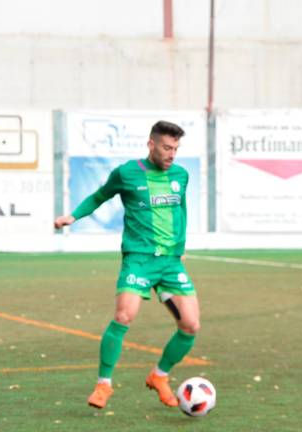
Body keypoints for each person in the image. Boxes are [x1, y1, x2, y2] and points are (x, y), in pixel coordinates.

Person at [54, 120, 199, 409]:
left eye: (176, 148)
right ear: (151, 144)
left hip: (170, 262)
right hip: (139, 259)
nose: (172, 154)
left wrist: (180, 247)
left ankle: (160, 376)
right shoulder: (127, 173)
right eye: (167, 148)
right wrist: (73, 216)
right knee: (124, 316)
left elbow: (181, 208)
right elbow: (99, 196)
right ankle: (103, 384)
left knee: (190, 325)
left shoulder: (180, 175)